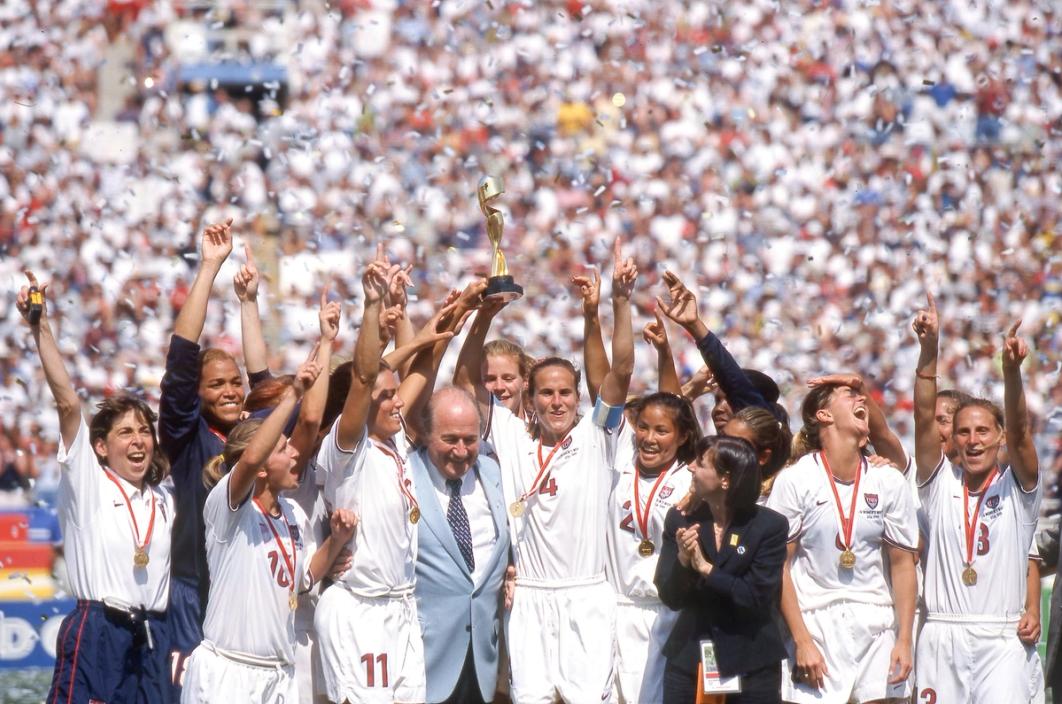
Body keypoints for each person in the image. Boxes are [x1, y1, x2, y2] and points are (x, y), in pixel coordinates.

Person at [485, 239, 636, 703]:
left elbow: (621, 372)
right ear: (529, 397)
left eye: (566, 393)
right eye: (546, 393)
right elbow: (473, 384)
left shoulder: (596, 439)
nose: (556, 402)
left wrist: (616, 303)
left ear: (577, 398)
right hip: (529, 598)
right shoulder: (510, 438)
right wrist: (484, 314)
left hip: (586, 596)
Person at [18, 272, 175, 703]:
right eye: (126, 433)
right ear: (101, 447)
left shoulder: (164, 499)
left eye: (144, 431)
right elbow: (69, 403)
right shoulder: (89, 482)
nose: (139, 440)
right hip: (98, 631)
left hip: (153, 633)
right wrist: (40, 327)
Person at [313, 256, 464, 704]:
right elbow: (363, 379)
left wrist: (456, 310)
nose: (398, 403)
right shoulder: (347, 451)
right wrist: (372, 307)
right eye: (385, 397)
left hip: (400, 608)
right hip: (360, 608)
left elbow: (419, 368)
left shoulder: (392, 438)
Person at [182, 356, 356, 703]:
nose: (294, 454)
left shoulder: (291, 511)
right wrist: (293, 393)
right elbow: (248, 460)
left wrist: (336, 541)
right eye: (282, 449)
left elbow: (304, 578)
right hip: (229, 673)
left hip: (279, 674)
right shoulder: (229, 510)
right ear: (261, 467)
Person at [911, 294, 1041, 703]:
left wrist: (1011, 373)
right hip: (942, 635)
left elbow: (1021, 432)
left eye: (983, 431)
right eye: (963, 431)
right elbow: (921, 416)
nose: (972, 440)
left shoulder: (1016, 490)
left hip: (1001, 638)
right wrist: (929, 351)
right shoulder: (938, 485)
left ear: (998, 436)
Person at [766, 380, 919, 703]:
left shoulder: (888, 480)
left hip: (876, 620)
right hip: (816, 621)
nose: (861, 398)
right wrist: (801, 639)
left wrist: (904, 639)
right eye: (849, 395)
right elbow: (778, 565)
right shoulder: (796, 479)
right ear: (823, 415)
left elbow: (903, 564)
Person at [159, 219, 251, 687]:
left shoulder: (253, 436)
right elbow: (180, 359)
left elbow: (273, 387)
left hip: (243, 592)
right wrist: (209, 269)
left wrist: (249, 305)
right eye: (216, 384)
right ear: (196, 394)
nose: (232, 391)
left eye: (236, 382)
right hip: (193, 592)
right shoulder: (188, 436)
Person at [655, 435, 789, 704]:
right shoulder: (681, 519)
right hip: (690, 658)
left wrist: (707, 569)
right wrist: (682, 561)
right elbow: (670, 597)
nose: (691, 467)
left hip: (752, 660)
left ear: (725, 479)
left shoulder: (769, 526)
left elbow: (756, 597)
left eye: (701, 463)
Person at [409, 386, 511, 704]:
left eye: (470, 439)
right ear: (426, 434)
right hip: (424, 657)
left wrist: (513, 568)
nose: (461, 450)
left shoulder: (495, 474)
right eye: (450, 439)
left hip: (483, 658)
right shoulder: (404, 478)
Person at [606, 391, 700, 703]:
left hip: (663, 615)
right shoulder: (616, 466)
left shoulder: (691, 483)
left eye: (661, 431)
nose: (649, 438)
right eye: (643, 428)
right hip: (611, 608)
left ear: (683, 435)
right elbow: (606, 381)